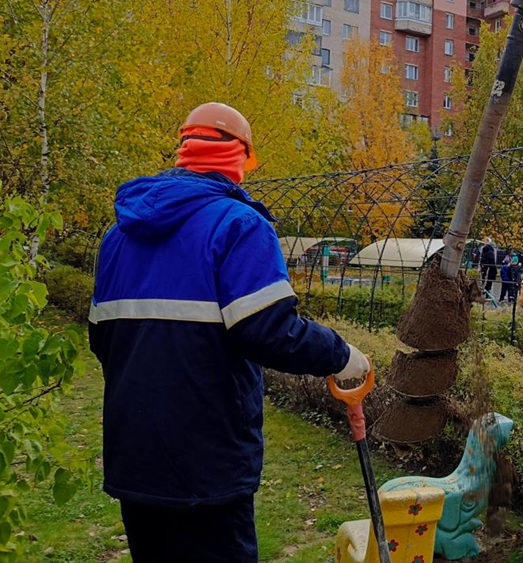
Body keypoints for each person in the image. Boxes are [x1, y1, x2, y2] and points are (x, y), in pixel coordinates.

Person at [88, 102, 371, 562]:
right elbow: (269, 330)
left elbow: (102, 340)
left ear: (184, 152)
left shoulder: (117, 236)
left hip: (134, 458)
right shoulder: (239, 225)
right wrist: (341, 354)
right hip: (208, 462)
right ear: (239, 159)